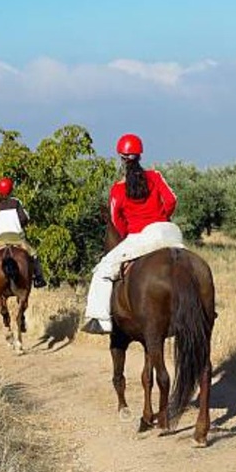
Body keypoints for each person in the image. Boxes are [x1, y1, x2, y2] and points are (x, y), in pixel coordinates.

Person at [81, 133, 182, 334]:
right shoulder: (156, 176)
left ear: (121, 157)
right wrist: (163, 217)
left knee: (102, 270)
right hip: (169, 232)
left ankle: (100, 320)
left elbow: (116, 220)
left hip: (140, 238)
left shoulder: (118, 189)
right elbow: (171, 200)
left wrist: (127, 234)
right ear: (140, 155)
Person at [0, 177, 47, 293]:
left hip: (0, 238)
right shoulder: (16, 202)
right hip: (17, 238)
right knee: (34, 255)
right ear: (11, 189)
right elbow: (24, 218)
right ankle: (39, 278)